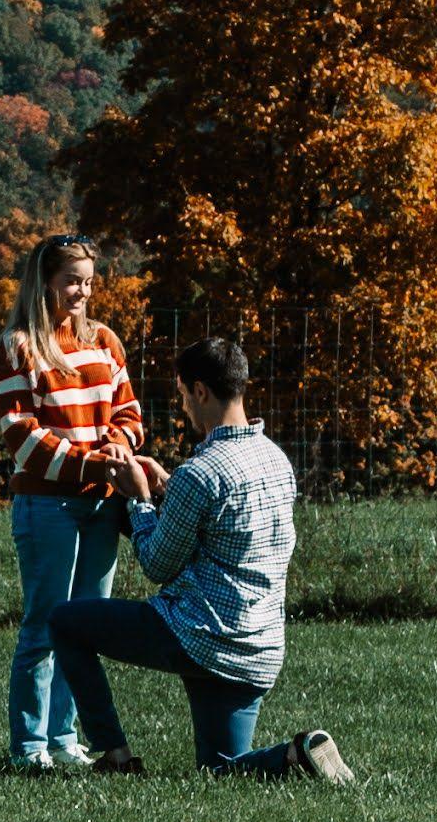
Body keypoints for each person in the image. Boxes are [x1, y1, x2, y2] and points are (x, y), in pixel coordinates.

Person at [47, 333, 354, 783]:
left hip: (199, 635)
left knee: (66, 623)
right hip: (258, 650)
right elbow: (223, 517)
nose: (184, 407)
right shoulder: (275, 460)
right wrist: (168, 483)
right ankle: (296, 754)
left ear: (201, 391)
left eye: (183, 395)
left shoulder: (201, 472)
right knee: (220, 770)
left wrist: (139, 498)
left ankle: (113, 753)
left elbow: (156, 564)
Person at [0, 234, 153, 773]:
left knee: (83, 624)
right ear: (44, 282)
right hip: (48, 505)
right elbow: (22, 436)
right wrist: (89, 463)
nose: (81, 291)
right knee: (44, 623)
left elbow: (128, 412)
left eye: (87, 281)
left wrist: (119, 448)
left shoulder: (105, 341)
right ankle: (29, 746)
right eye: (71, 281)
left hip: (102, 504)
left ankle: (65, 737)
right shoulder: (17, 347)